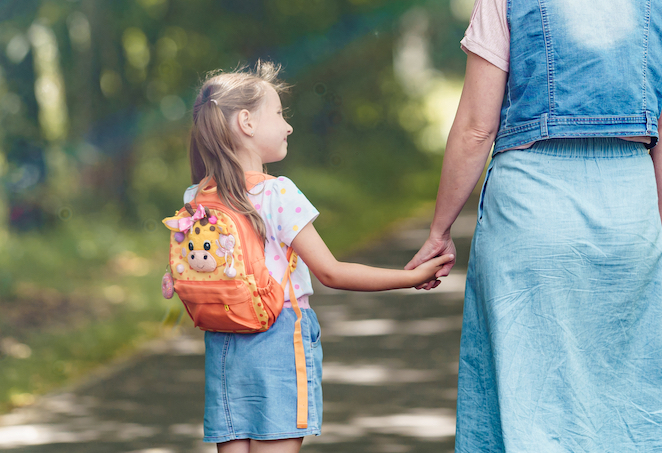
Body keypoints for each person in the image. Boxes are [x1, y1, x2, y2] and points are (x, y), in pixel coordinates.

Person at [403, 0, 662, 451]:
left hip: (530, 222)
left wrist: (437, 231)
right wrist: (650, 230)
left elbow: (477, 127)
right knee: (629, 399)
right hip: (626, 218)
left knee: (531, 402)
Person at [162, 60, 456, 453]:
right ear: (247, 123)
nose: (288, 126)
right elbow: (331, 272)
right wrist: (410, 277)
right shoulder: (278, 194)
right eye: (280, 114)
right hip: (277, 337)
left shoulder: (196, 197)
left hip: (223, 343)